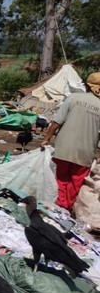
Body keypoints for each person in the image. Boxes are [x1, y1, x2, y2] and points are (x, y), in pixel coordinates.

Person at [40, 72, 100, 212]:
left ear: (87, 86)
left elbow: (56, 122)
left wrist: (46, 138)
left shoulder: (73, 98)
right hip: (86, 151)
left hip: (64, 148)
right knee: (76, 180)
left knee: (61, 178)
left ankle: (60, 206)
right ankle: (67, 207)